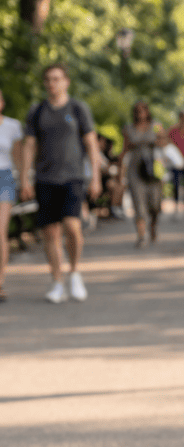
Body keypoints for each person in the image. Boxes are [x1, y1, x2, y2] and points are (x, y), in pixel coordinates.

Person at [19, 63, 101, 303]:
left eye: (57, 79)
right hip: (45, 178)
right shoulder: (37, 111)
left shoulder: (77, 109)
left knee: (72, 227)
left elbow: (91, 144)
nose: (52, 84)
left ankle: (75, 271)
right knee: (50, 233)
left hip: (73, 177)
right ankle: (57, 281)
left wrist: (95, 177)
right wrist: (25, 178)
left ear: (66, 82)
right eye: (48, 80)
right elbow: (29, 145)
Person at [121, 101, 166, 247]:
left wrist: (157, 141)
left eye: (142, 110)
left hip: (153, 168)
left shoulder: (156, 126)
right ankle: (141, 236)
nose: (140, 114)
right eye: (137, 111)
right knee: (138, 204)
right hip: (135, 169)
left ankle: (153, 224)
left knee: (154, 204)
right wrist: (120, 174)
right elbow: (124, 150)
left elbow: (165, 143)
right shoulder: (128, 128)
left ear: (147, 112)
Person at [0, 87, 24, 302]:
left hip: (4, 178)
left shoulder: (12, 126)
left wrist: (24, 182)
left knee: (0, 232)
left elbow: (19, 157)